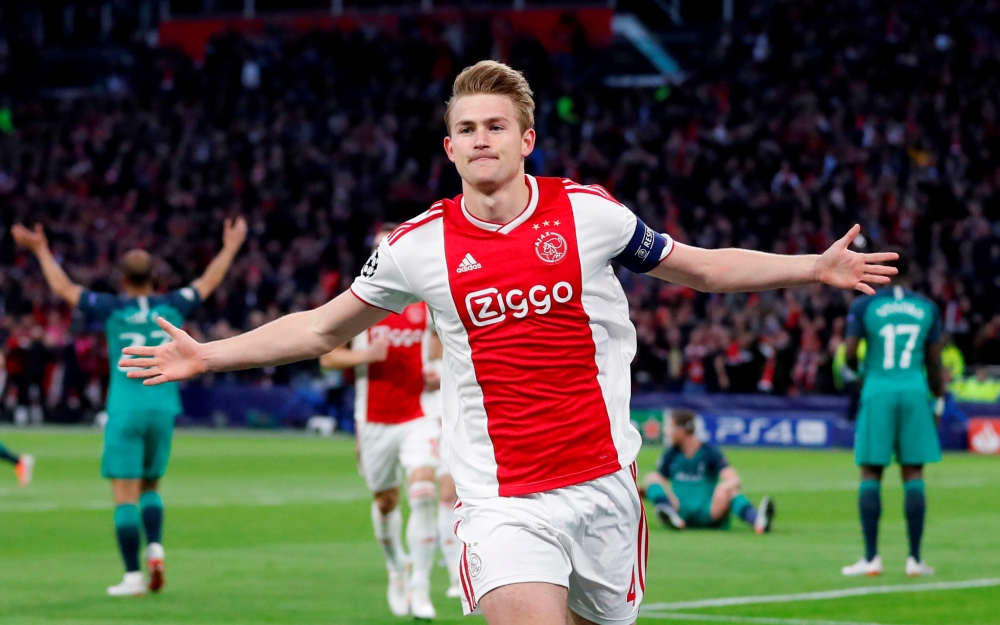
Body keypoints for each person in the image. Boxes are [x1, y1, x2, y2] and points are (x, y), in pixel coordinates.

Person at [119, 61, 897, 625]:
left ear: (527, 139)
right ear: (449, 149)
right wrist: (209, 353)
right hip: (501, 499)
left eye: (495, 126)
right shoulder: (416, 246)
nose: (480, 138)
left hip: (604, 485)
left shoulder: (590, 214)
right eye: (466, 129)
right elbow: (322, 326)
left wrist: (812, 267)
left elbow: (698, 268)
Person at [11, 218, 247, 596]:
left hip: (125, 407)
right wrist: (232, 245)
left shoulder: (111, 307)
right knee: (151, 486)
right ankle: (155, 548)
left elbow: (62, 287)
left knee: (124, 494)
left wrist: (40, 249)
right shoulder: (172, 304)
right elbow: (209, 281)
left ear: (122, 279)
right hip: (163, 405)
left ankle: (132, 577)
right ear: (156, 279)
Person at [319, 224, 441, 620]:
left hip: (418, 415)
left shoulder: (426, 302)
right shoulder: (360, 306)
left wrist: (439, 369)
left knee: (423, 491)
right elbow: (327, 356)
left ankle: (421, 586)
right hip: (373, 420)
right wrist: (364, 357)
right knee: (386, 501)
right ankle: (396, 568)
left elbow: (446, 348)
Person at [842, 254, 944, 578]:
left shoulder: (864, 306)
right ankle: (915, 560)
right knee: (913, 473)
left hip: (878, 389)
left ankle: (871, 558)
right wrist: (938, 400)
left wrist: (864, 378)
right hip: (915, 390)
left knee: (871, 472)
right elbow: (935, 363)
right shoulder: (928, 308)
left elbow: (848, 354)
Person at [642, 410, 774, 533]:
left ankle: (758, 521)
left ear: (681, 430)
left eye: (671, 427)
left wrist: (724, 487)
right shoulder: (671, 454)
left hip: (708, 510)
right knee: (652, 478)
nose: (668, 432)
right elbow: (660, 481)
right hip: (680, 509)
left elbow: (734, 479)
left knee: (730, 491)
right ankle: (669, 514)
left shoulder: (709, 452)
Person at [420, 329, 464, 600]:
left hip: (457, 425)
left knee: (461, 498)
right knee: (445, 495)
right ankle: (454, 574)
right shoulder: (418, 348)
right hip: (426, 426)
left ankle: (468, 567)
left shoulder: (458, 345)